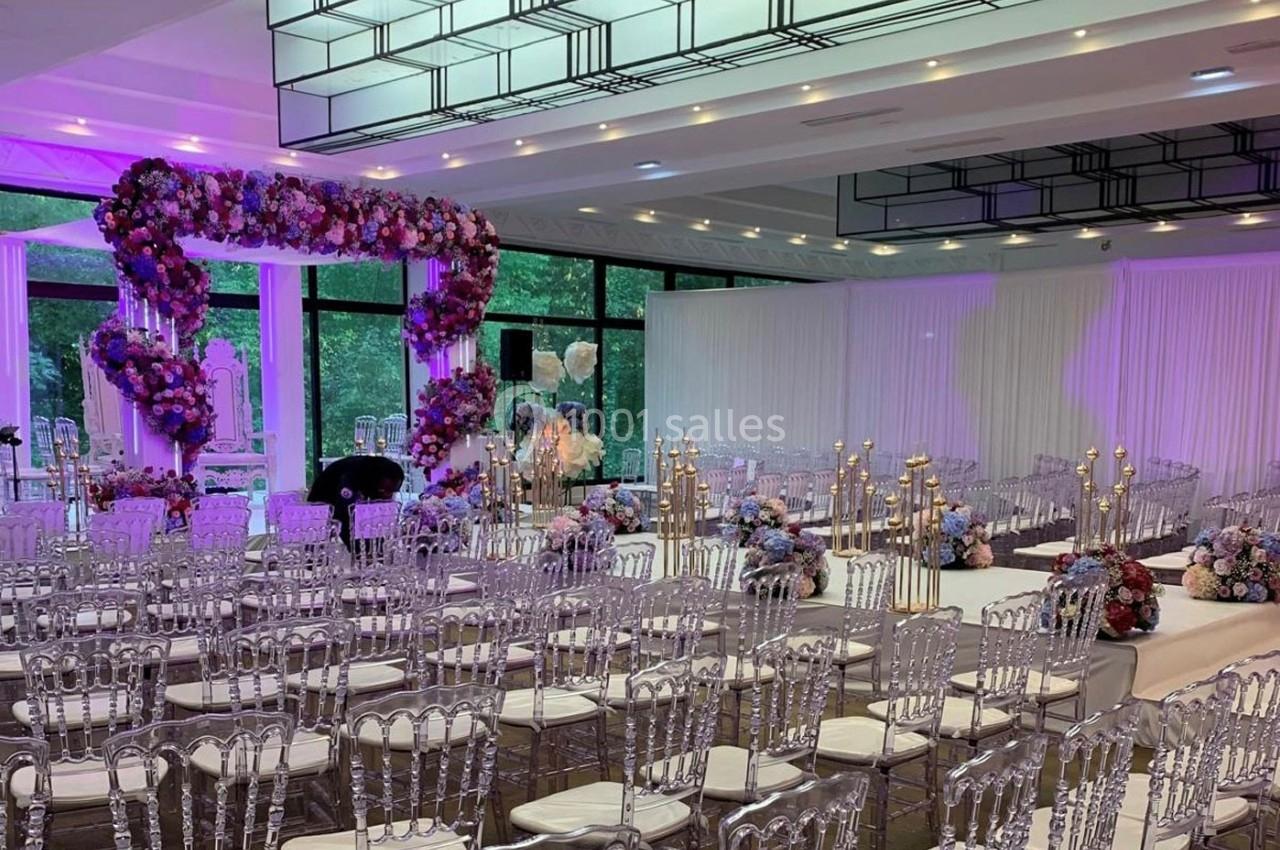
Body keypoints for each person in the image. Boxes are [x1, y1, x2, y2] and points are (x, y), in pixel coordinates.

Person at [306, 455, 405, 547]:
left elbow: (375, 518)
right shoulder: (352, 476)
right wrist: (360, 552)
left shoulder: (382, 472)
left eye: (392, 491)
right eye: (383, 490)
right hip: (321, 503)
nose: (388, 496)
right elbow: (345, 516)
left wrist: (379, 546)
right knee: (316, 550)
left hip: (342, 499)